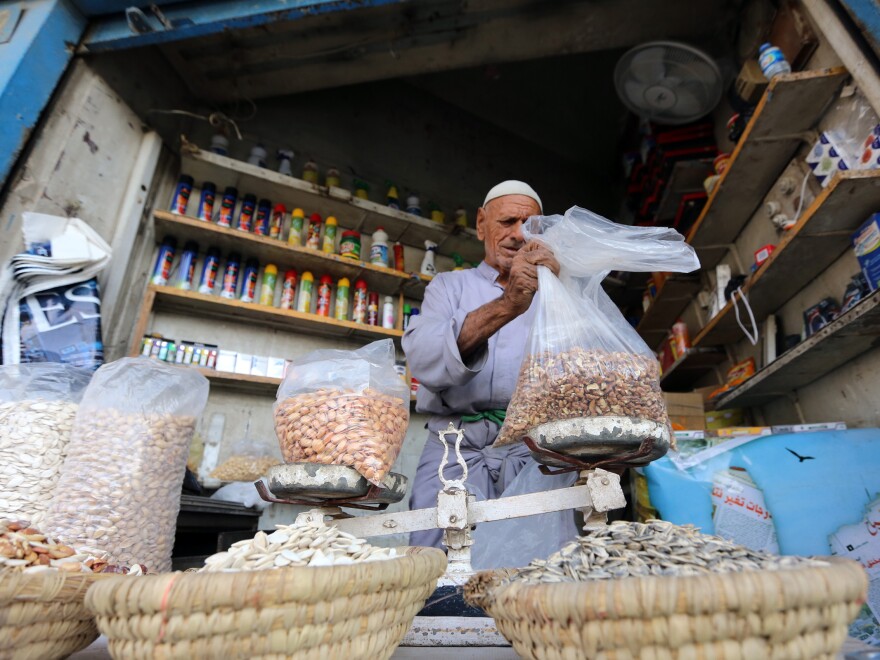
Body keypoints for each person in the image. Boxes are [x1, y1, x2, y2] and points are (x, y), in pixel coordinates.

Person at [402, 180, 560, 549]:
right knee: (435, 559)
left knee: (534, 564)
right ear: (481, 224)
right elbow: (422, 358)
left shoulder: (555, 291)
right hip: (454, 446)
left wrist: (564, 286)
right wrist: (508, 304)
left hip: (532, 448)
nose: (518, 235)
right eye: (507, 221)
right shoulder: (448, 287)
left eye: (531, 225)